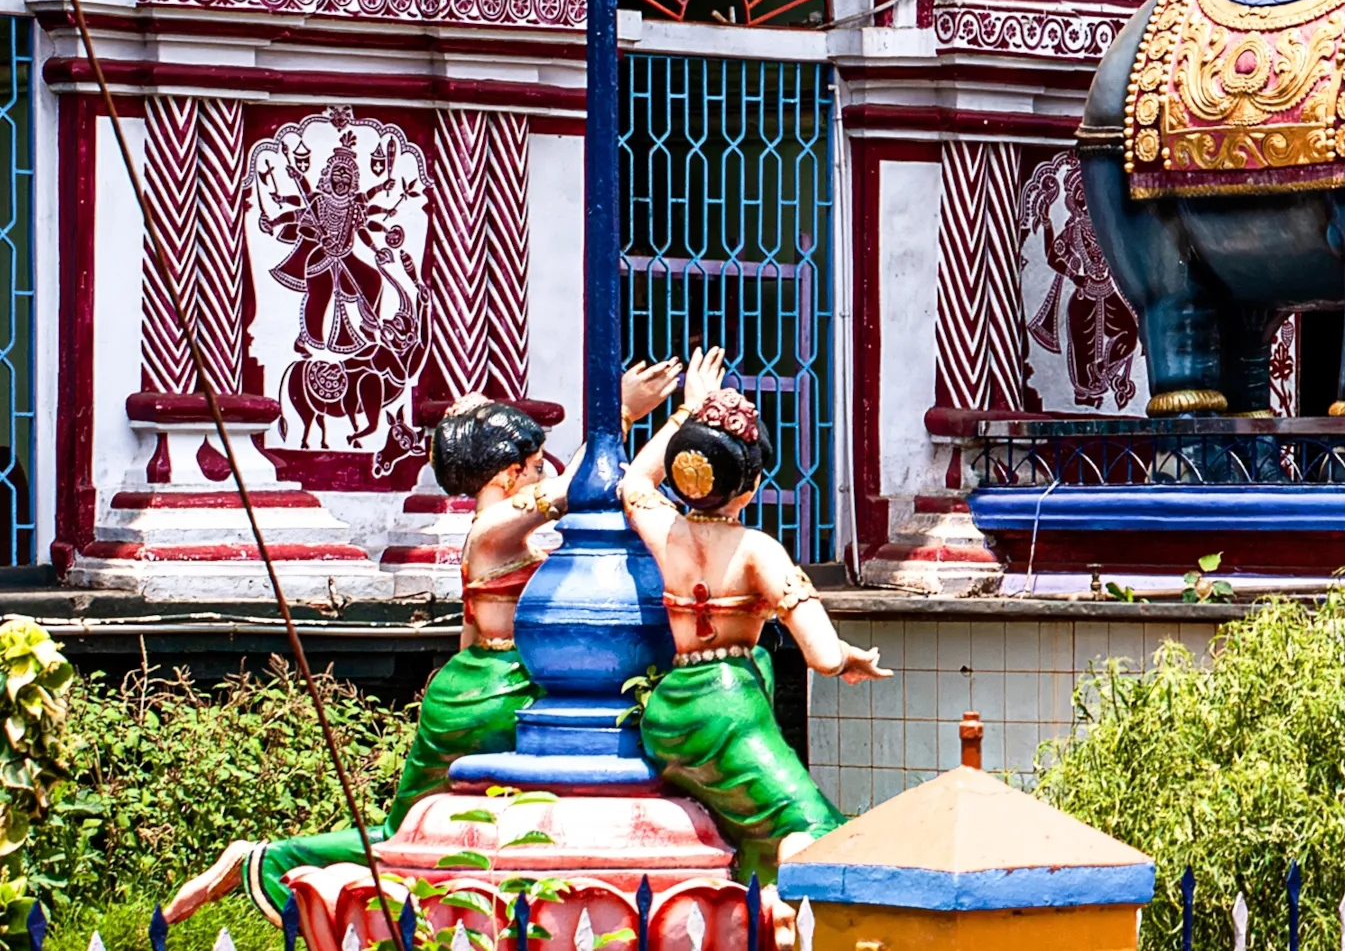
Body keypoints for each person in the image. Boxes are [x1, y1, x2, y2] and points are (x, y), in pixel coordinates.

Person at [167, 360, 691, 921]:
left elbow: (617, 487)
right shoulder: (489, 533)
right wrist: (636, 415)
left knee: (447, 826)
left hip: (498, 681)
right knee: (408, 833)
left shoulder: (524, 526)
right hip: (490, 690)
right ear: (506, 477)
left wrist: (660, 417)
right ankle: (269, 863)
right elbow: (588, 486)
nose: (545, 474)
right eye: (535, 466)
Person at [619, 345, 890, 880]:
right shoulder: (756, 549)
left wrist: (686, 411)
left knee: (743, 834)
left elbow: (634, 484)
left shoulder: (666, 531)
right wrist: (847, 657)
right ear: (750, 486)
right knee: (810, 828)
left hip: (669, 712)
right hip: (727, 710)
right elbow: (820, 653)